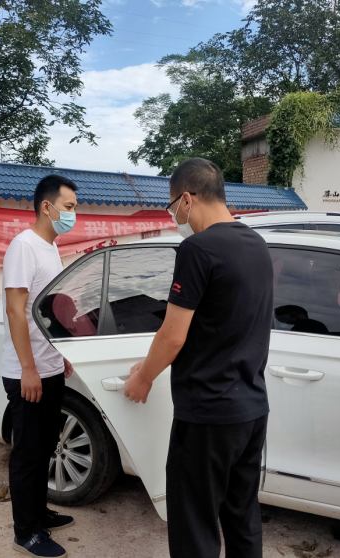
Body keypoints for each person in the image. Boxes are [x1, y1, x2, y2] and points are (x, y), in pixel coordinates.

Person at [124, 158, 273, 558]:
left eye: (172, 206)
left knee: (194, 525)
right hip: (251, 409)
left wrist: (144, 377)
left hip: (207, 412)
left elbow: (173, 335)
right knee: (242, 517)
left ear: (187, 199)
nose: (174, 215)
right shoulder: (256, 244)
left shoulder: (198, 249)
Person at [2, 174, 80, 558]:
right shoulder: (24, 246)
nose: (73, 215)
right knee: (28, 453)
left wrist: (60, 353)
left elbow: (48, 310)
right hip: (27, 371)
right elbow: (16, 311)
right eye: (68, 207)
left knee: (46, 445)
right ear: (46, 207)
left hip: (49, 366)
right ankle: (26, 532)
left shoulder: (51, 248)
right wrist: (28, 369)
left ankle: (39, 514)